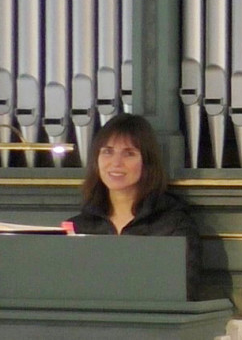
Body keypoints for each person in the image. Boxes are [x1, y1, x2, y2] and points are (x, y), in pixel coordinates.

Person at [67, 113, 201, 300]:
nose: (115, 163)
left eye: (129, 153)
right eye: (107, 151)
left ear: (147, 162)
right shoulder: (77, 227)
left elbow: (183, 292)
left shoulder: (173, 226)